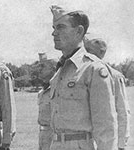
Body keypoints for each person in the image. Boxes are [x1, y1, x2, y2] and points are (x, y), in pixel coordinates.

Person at [49, 5, 117, 150]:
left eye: (60, 27)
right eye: (54, 28)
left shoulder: (93, 69)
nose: (54, 33)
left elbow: (105, 126)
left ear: (79, 31)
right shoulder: (61, 70)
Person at [84, 38, 130, 150]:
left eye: (90, 51)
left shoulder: (114, 76)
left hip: (106, 141)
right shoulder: (82, 75)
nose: (87, 55)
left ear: (101, 52)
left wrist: (121, 144)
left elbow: (122, 111)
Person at [36, 58, 56, 150]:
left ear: (53, 69)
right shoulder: (41, 93)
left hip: (55, 134)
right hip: (43, 133)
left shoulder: (58, 91)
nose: (40, 70)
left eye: (43, 67)